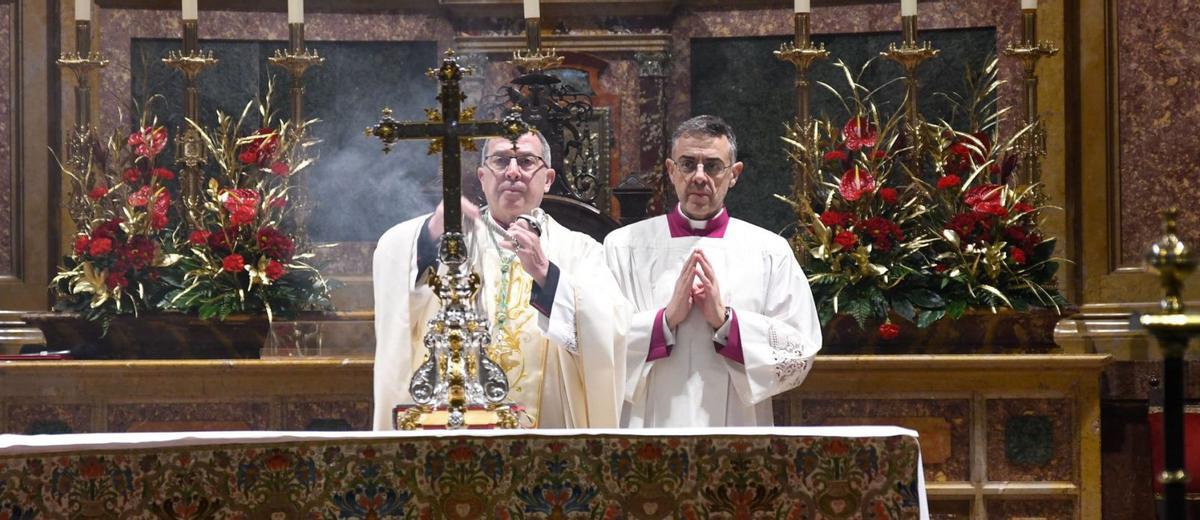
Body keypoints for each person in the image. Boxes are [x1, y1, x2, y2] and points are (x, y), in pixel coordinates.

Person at [373, 131, 627, 430]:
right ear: (482, 177)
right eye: (501, 161)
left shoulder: (580, 251)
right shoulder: (450, 240)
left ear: (548, 179)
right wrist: (429, 235)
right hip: (457, 425)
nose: (513, 172)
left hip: (546, 432)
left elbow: (612, 329)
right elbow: (396, 265)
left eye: (526, 161)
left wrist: (546, 274)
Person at [603, 115, 822, 427]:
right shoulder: (622, 247)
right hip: (649, 428)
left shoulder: (770, 252)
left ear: (734, 174)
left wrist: (728, 323)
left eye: (713, 166)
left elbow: (799, 350)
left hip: (737, 430)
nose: (699, 176)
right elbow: (597, 341)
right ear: (670, 170)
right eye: (687, 164)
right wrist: (663, 321)